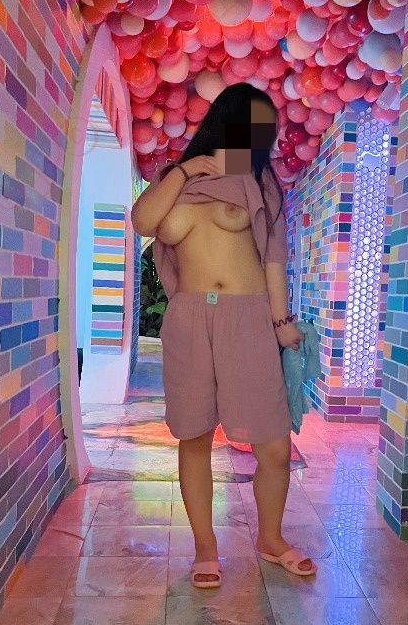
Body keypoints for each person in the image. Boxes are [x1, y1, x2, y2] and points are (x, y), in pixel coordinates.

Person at [131, 83, 317, 588]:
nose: (265, 140)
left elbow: (273, 257)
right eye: (259, 128)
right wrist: (187, 170)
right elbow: (143, 221)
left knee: (273, 445)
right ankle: (205, 549)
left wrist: (281, 322)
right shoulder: (176, 176)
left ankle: (270, 539)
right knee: (193, 436)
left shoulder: (257, 178)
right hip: (190, 318)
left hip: (248, 317)